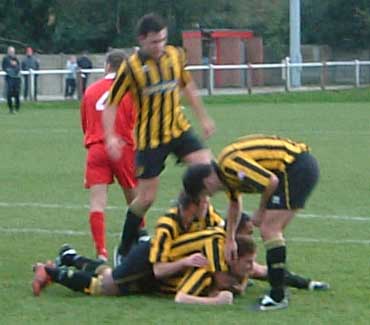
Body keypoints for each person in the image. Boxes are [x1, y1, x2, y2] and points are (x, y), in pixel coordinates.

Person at [103, 13, 215, 264]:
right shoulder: (131, 68)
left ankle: (186, 215)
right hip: (150, 139)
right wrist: (110, 136)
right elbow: (111, 104)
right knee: (145, 199)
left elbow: (187, 86)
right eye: (154, 42)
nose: (159, 46)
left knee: (207, 170)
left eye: (163, 40)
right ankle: (123, 248)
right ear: (142, 40)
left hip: (178, 130)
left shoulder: (175, 55)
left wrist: (204, 118)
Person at [182, 134, 320, 311]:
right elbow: (234, 204)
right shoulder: (226, 176)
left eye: (205, 193)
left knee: (270, 229)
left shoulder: (229, 165)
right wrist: (230, 238)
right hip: (297, 166)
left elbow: (271, 182)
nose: (209, 197)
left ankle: (278, 296)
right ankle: (282, 286)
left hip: (295, 167)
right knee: (273, 234)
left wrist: (261, 210)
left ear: (206, 181)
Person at [80, 50, 144, 260]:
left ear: (107, 65)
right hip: (123, 147)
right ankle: (141, 240)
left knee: (97, 203)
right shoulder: (131, 91)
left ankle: (101, 252)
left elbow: (85, 124)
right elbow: (136, 122)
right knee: (135, 199)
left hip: (97, 148)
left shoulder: (90, 91)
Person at [2, 46, 21, 113]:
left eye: (13, 51)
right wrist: (10, 70)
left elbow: (18, 67)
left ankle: (17, 108)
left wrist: (15, 66)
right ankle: (11, 108)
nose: (12, 52)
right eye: (10, 51)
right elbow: (4, 68)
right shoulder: (5, 58)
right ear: (8, 51)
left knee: (17, 93)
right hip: (9, 78)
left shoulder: (16, 58)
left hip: (16, 79)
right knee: (9, 93)